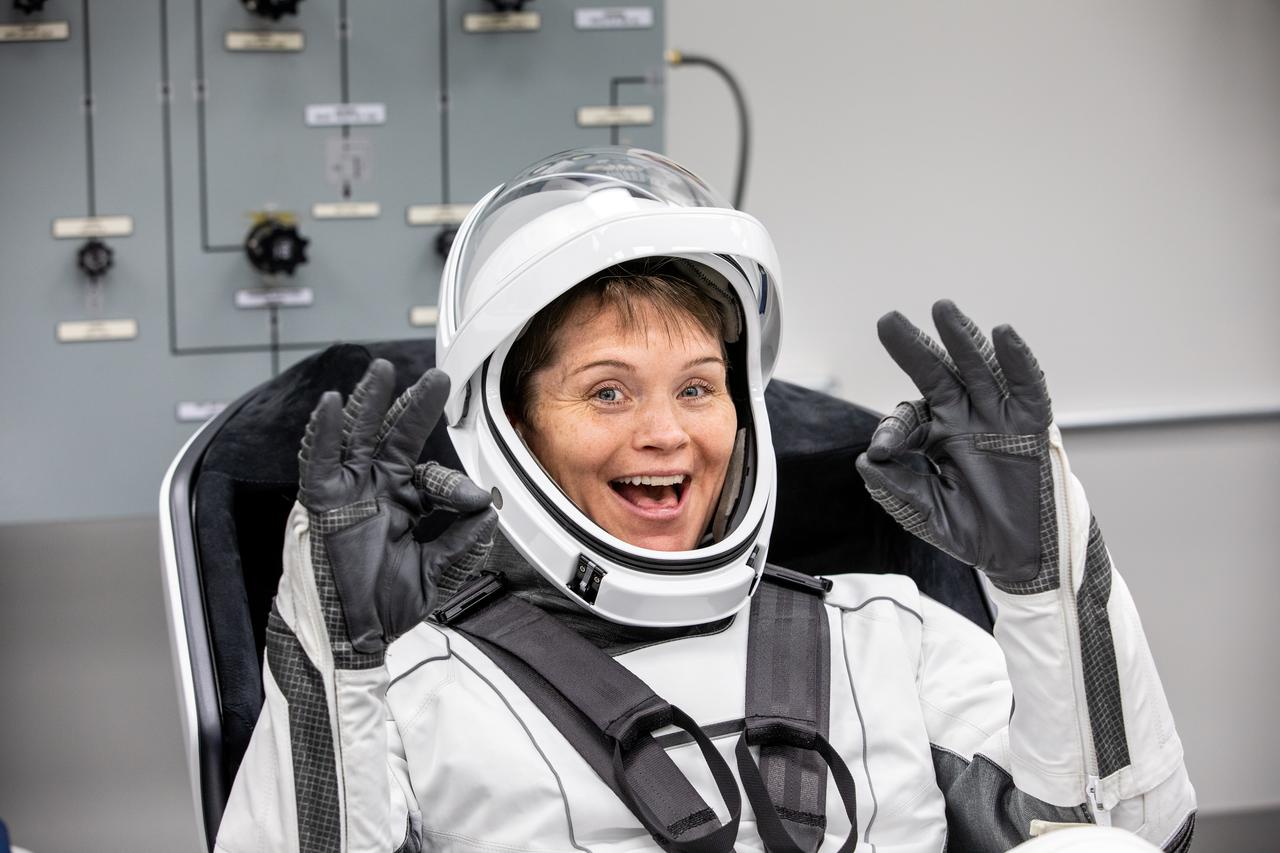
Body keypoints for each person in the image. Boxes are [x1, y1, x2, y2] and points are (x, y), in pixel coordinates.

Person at [215, 148, 1196, 852]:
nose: (665, 432)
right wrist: (339, 662)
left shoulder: (883, 636)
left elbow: (1126, 833)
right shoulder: (418, 688)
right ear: (510, 430)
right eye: (607, 391)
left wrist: (1039, 576)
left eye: (696, 386)